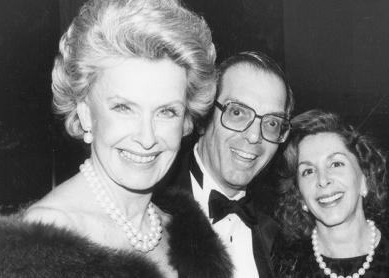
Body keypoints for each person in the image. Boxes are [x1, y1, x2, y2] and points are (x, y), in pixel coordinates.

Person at [0, 0, 234, 277]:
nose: (147, 137)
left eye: (167, 111)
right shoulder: (44, 242)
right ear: (85, 114)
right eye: (123, 107)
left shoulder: (184, 231)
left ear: (186, 120)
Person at [154, 51, 295, 278]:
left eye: (271, 123)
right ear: (203, 117)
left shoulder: (282, 229)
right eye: (237, 112)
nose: (253, 136)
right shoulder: (148, 208)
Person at [272, 110, 389, 278]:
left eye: (336, 164)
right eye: (308, 171)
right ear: (300, 196)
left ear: (364, 179)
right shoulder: (280, 263)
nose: (323, 179)